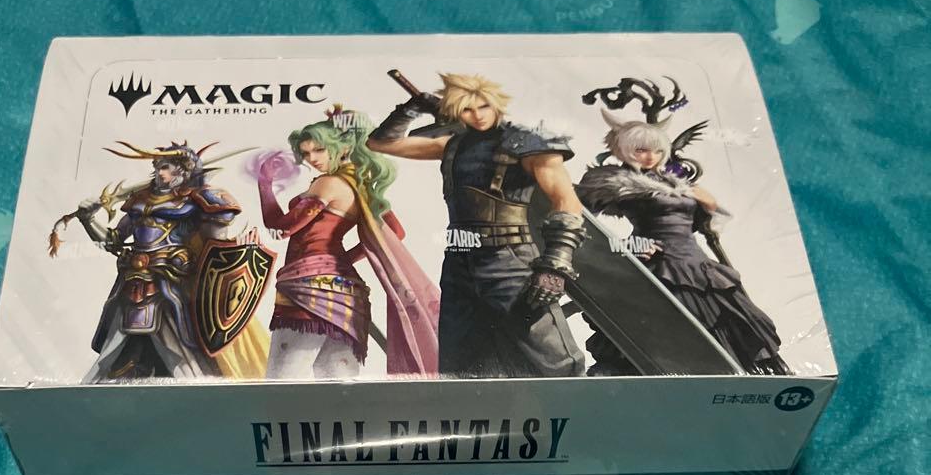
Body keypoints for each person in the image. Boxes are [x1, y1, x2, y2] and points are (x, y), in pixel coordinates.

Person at [368, 72, 588, 379]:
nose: (477, 115)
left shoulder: (528, 143)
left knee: (551, 357)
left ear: (496, 104)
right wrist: (412, 108)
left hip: (509, 259)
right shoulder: (452, 145)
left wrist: (555, 265)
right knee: (461, 360)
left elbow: (567, 202)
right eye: (467, 110)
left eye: (483, 106)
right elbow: (380, 143)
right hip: (459, 261)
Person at [576, 111, 790, 375]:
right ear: (623, 148)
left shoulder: (673, 180)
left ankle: (736, 377)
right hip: (658, 266)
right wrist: (625, 247)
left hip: (696, 264)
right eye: (641, 150)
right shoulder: (615, 182)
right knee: (670, 326)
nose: (650, 156)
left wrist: (699, 199)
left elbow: (707, 214)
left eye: (657, 150)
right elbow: (576, 220)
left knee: (734, 320)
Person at [51, 140, 269, 382]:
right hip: (133, 280)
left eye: (165, 167)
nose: (159, 172)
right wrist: (88, 219)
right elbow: (113, 241)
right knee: (120, 338)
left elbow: (216, 246)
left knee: (181, 344)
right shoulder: (139, 203)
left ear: (183, 171)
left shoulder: (193, 203)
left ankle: (194, 384)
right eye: (157, 167)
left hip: (172, 282)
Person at [256, 109, 439, 380]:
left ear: (343, 147)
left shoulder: (328, 183)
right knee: (338, 384)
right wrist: (342, 260)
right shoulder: (363, 187)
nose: (312, 159)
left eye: (319, 149)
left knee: (281, 380)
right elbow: (396, 231)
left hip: (308, 290)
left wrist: (264, 183)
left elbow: (281, 228)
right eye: (306, 153)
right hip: (348, 294)